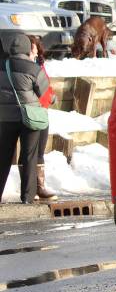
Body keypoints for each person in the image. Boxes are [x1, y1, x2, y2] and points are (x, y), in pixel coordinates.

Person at [0, 33, 48, 203]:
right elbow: (44, 91)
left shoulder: (2, 65)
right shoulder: (33, 68)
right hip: (29, 117)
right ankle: (27, 196)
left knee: (3, 157)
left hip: (6, 118)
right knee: (29, 156)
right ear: (27, 49)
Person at [26, 36, 56, 201]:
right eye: (32, 47)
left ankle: (40, 186)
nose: (35, 50)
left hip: (42, 112)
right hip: (31, 111)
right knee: (30, 151)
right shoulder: (25, 66)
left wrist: (51, 95)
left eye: (35, 47)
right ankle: (30, 187)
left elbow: (46, 85)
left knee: (40, 151)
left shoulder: (40, 64)